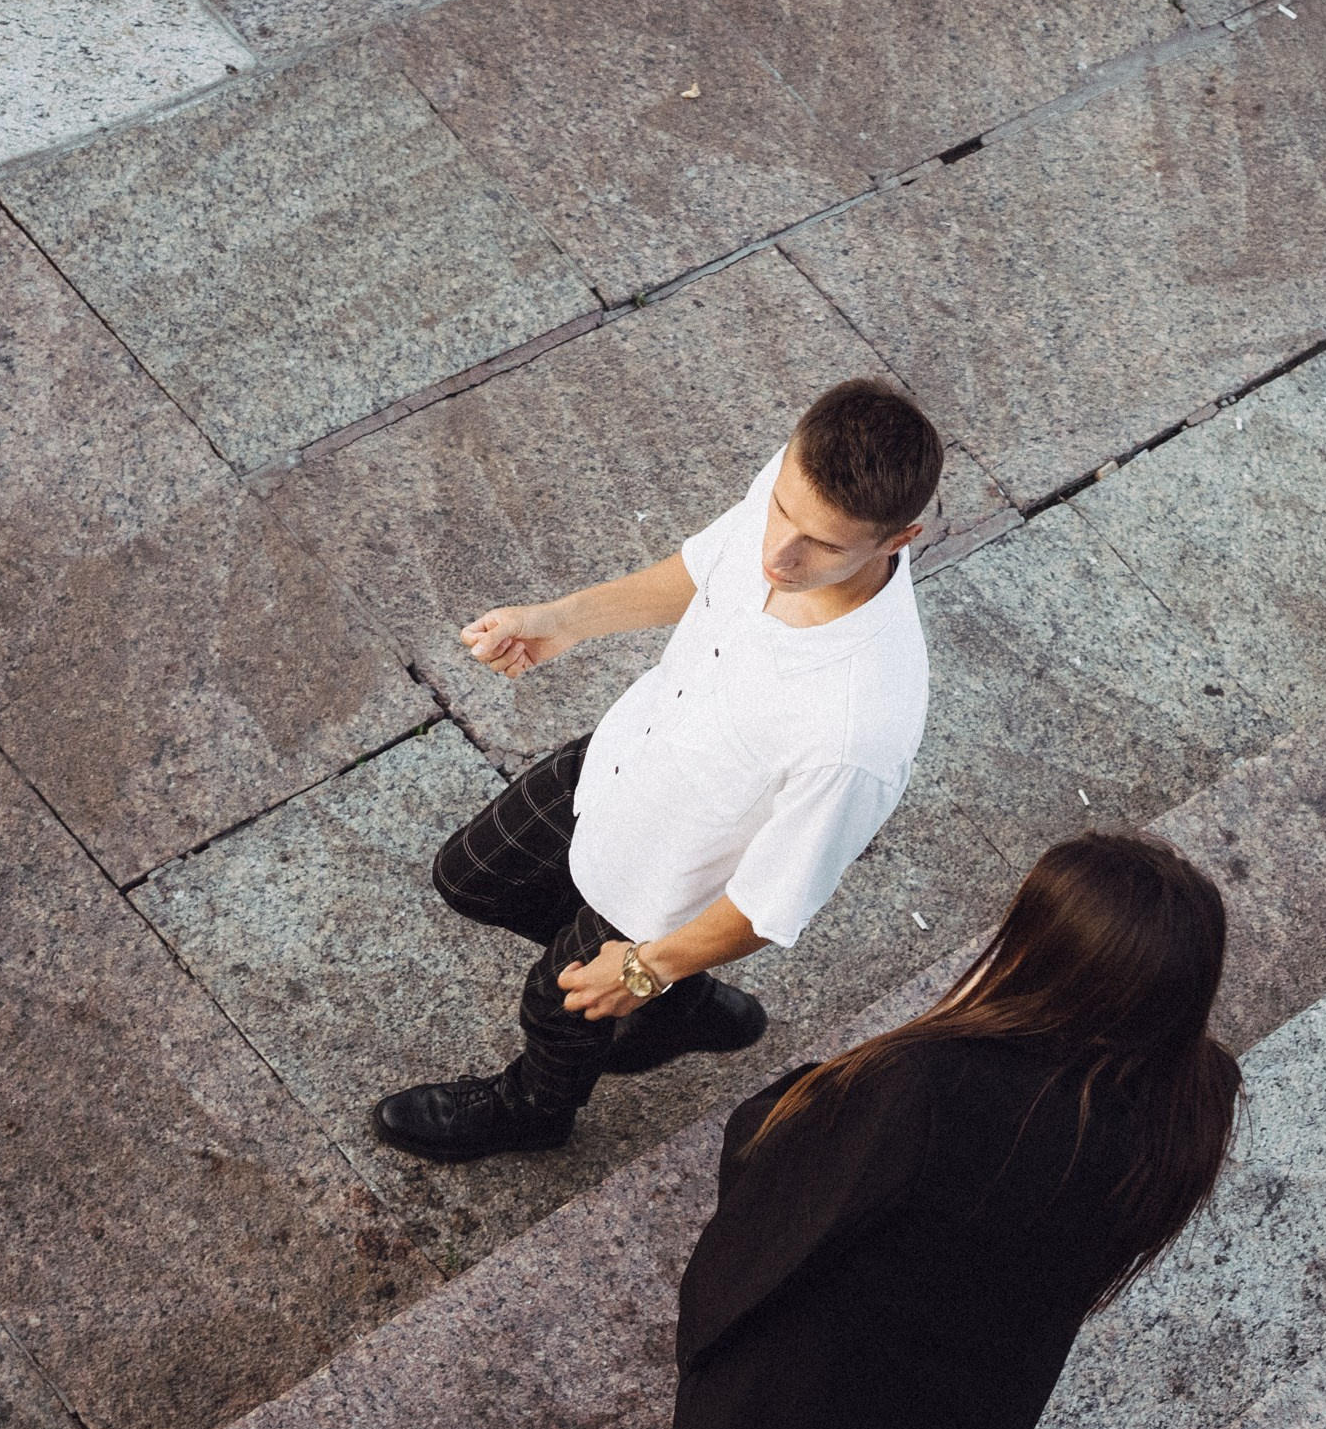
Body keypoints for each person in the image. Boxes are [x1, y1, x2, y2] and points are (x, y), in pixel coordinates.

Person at [542, 832, 1242, 1429]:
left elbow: (781, 1172)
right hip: (964, 1408)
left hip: (814, 1379)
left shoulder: (931, 1083)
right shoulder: (1193, 1107)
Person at [373, 380, 943, 1160]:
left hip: (673, 879)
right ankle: (685, 1009)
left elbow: (768, 902)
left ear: (899, 537)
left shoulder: (857, 728)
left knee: (555, 1003)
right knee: (471, 875)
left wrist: (642, 970)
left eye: (823, 546)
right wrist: (559, 622)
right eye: (780, 511)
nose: (779, 553)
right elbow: (705, 569)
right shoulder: (798, 485)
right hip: (624, 759)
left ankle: (537, 1109)